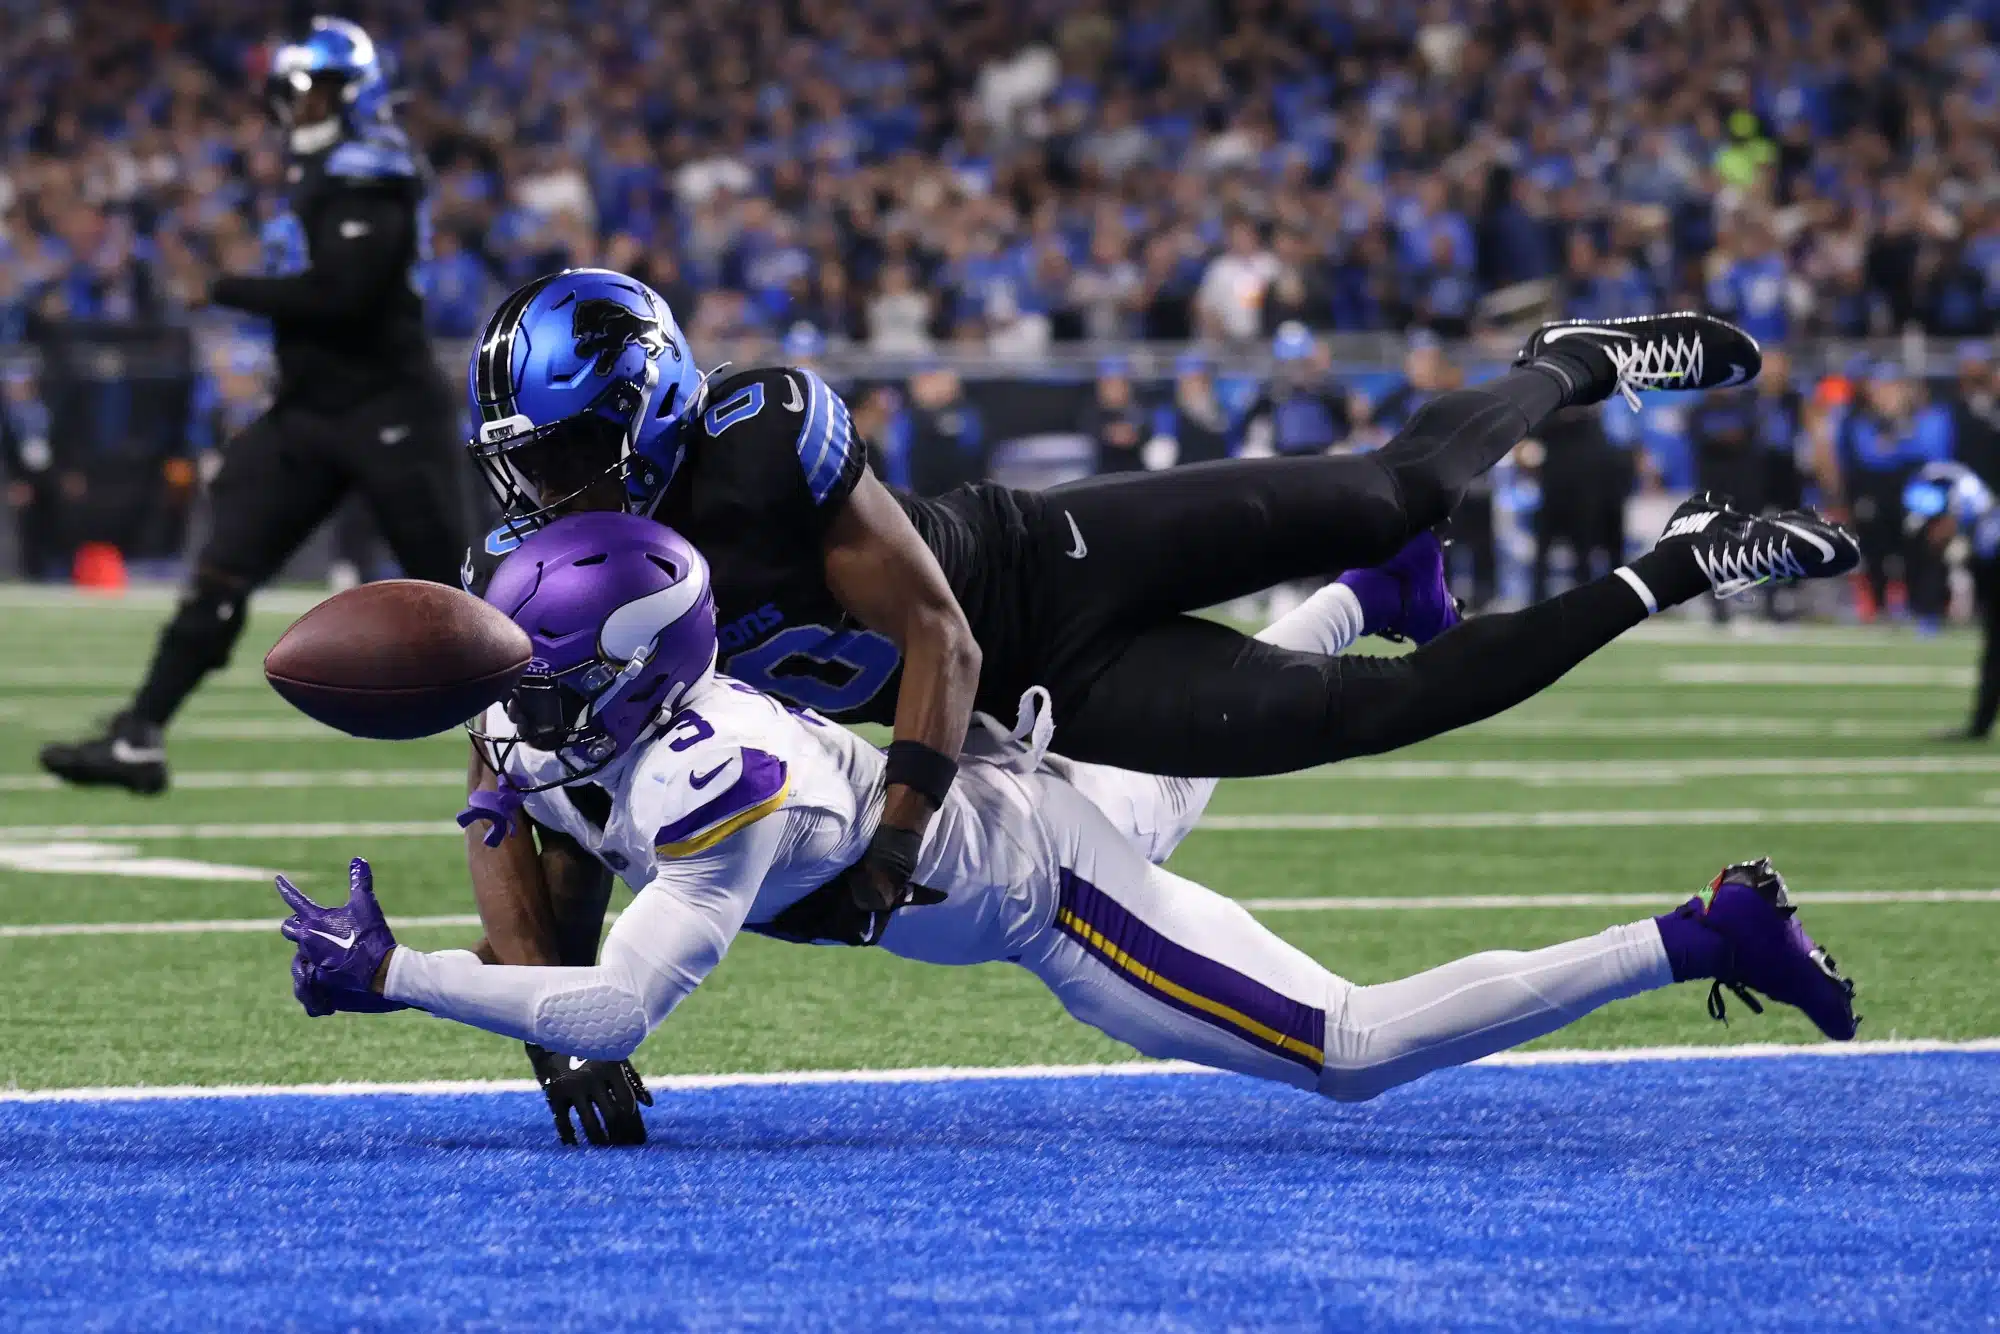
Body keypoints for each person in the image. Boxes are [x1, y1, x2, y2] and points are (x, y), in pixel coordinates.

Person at [455, 274, 1856, 1141]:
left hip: (1027, 575)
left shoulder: (757, 445)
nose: (547, 488)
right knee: (1367, 713)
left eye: (571, 448)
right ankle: (1672, 560)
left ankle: (1570, 361)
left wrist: (895, 830)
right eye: (530, 456)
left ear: (646, 409)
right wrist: (554, 1029)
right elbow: (513, 805)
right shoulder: (543, 592)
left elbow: (935, 627)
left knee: (1389, 489)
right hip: (1043, 714)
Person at [274, 514, 1859, 1138]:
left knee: (1355, 1051)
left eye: (547, 678)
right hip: (1009, 789)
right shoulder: (549, 696)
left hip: (1045, 894)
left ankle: (1703, 924)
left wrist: (396, 974)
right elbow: (505, 770)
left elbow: (620, 1004)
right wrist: (491, 793)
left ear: (633, 676)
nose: (520, 698)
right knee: (1172, 780)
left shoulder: (711, 774)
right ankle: (1370, 591)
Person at [40, 17, 465, 794]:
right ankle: (141, 733)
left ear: (353, 91)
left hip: (390, 406)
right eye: (293, 91)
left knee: (458, 596)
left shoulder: (373, 168)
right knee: (221, 571)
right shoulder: (325, 172)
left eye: (315, 89)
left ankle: (559, 738)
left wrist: (225, 287)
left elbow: (346, 294)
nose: (300, 106)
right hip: (311, 408)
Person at [1905, 463, 2000, 741]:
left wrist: (1967, 559)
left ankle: (1980, 726)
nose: (1932, 531)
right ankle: (1980, 726)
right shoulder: (1981, 531)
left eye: (1937, 520)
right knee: (1994, 651)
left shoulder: (1988, 533)